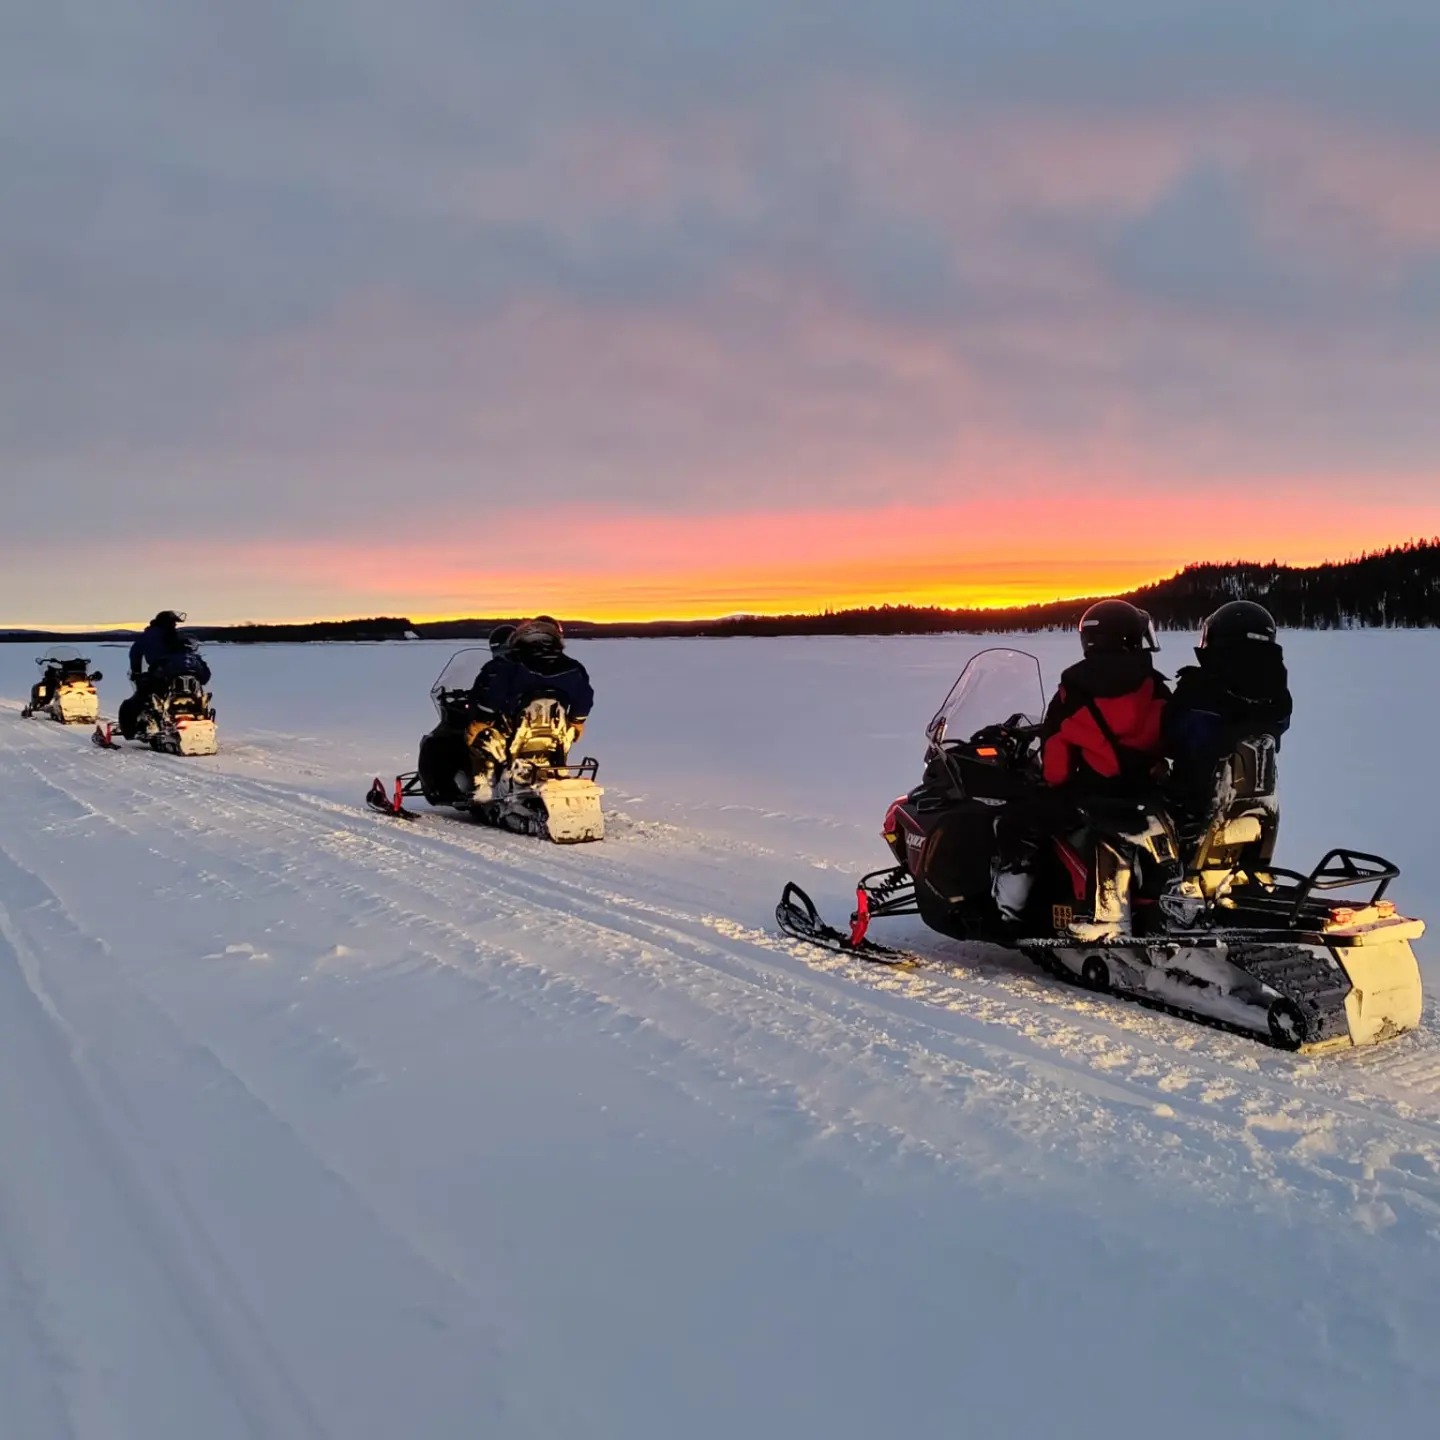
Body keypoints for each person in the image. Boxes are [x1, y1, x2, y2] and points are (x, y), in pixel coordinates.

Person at [993, 599, 1170, 937]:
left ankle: (1011, 912)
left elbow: (1056, 764)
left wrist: (1052, 783)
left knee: (1014, 823)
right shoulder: (1156, 686)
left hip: (1093, 794)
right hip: (1149, 793)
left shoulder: (1073, 693)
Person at [1165, 601, 1292, 818]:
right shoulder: (1276, 694)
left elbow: (1168, 737)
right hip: (1255, 804)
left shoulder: (1198, 689)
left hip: (1193, 805)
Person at [466, 617, 593, 784]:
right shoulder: (573, 667)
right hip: (555, 732)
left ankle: (484, 785)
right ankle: (556, 770)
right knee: (568, 734)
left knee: (475, 738)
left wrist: (481, 719)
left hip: (513, 731)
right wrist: (577, 720)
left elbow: (491, 694)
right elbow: (584, 695)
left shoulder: (505, 665)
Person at [120, 610, 211, 739]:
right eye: (173, 623)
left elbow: (135, 653)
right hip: (182, 681)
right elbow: (205, 676)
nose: (175, 625)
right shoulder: (178, 641)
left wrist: (136, 672)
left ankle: (133, 731)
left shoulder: (150, 636)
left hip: (161, 676)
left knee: (134, 702)